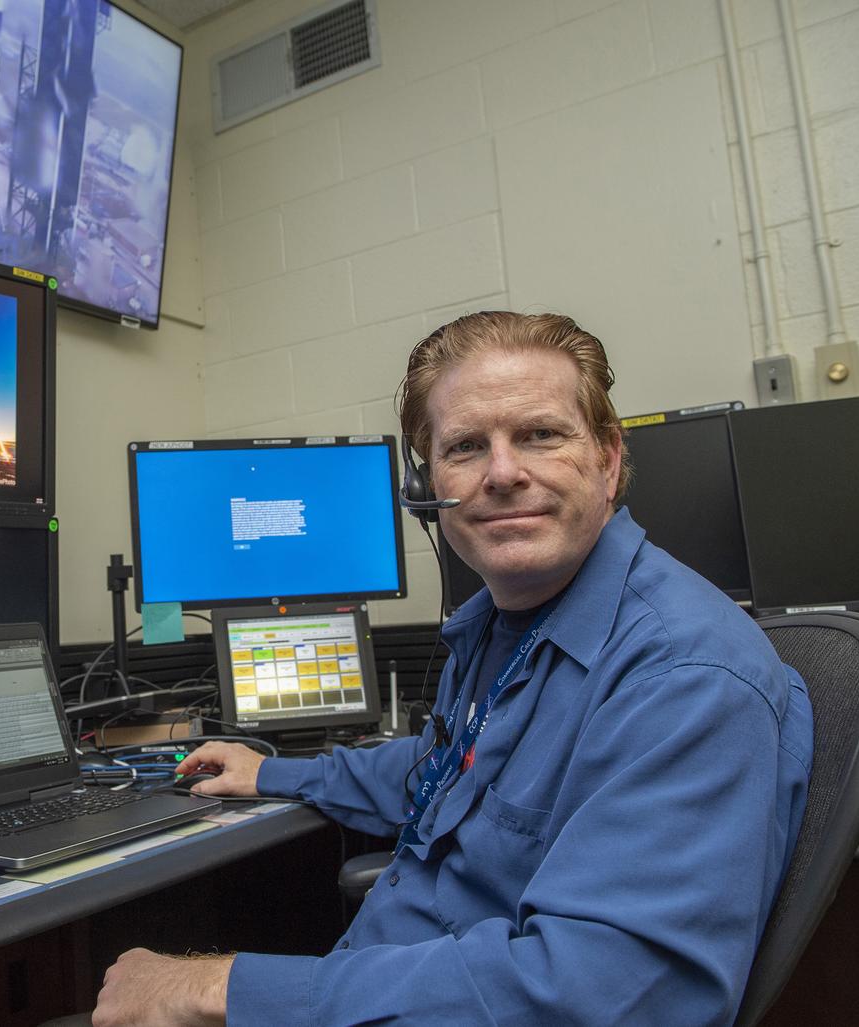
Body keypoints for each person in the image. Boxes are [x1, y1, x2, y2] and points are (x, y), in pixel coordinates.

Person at [92, 311, 813, 1027]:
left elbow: (612, 991)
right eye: (467, 446)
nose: (503, 472)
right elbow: (441, 771)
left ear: (609, 460)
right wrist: (272, 772)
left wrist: (221, 987)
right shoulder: (512, 629)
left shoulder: (682, 674)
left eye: (540, 434)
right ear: (425, 487)